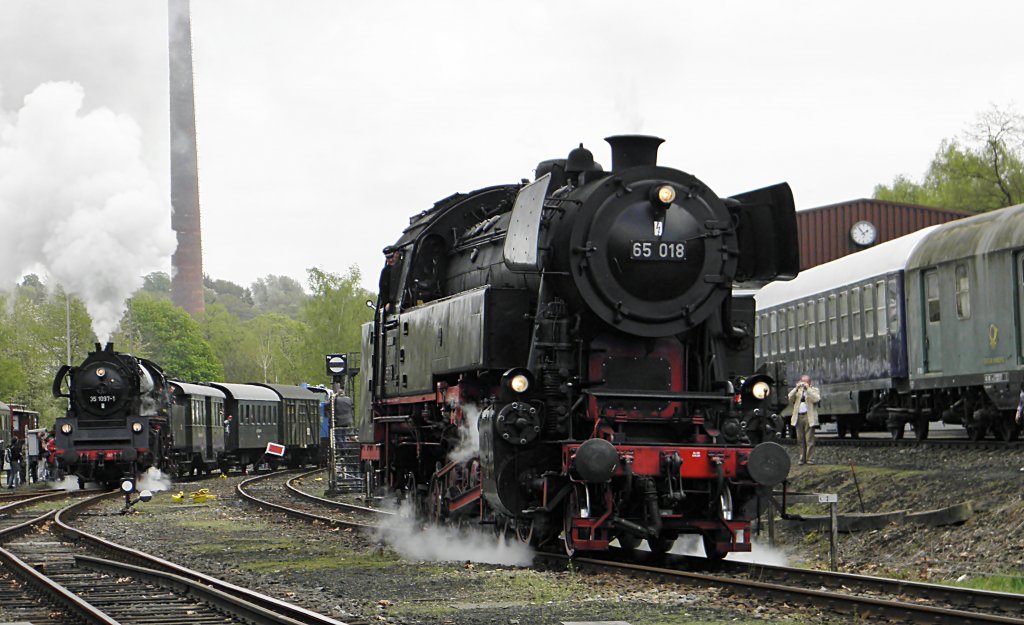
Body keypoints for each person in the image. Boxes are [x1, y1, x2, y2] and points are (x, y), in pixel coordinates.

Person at [787, 375, 821, 465]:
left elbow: (816, 399)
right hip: (798, 417)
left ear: (810, 382)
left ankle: (810, 459)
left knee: (809, 439)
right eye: (802, 382)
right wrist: (796, 388)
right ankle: (802, 458)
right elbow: (789, 398)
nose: (803, 384)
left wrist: (807, 389)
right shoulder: (798, 391)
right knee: (800, 439)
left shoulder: (814, 390)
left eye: (806, 382)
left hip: (808, 417)